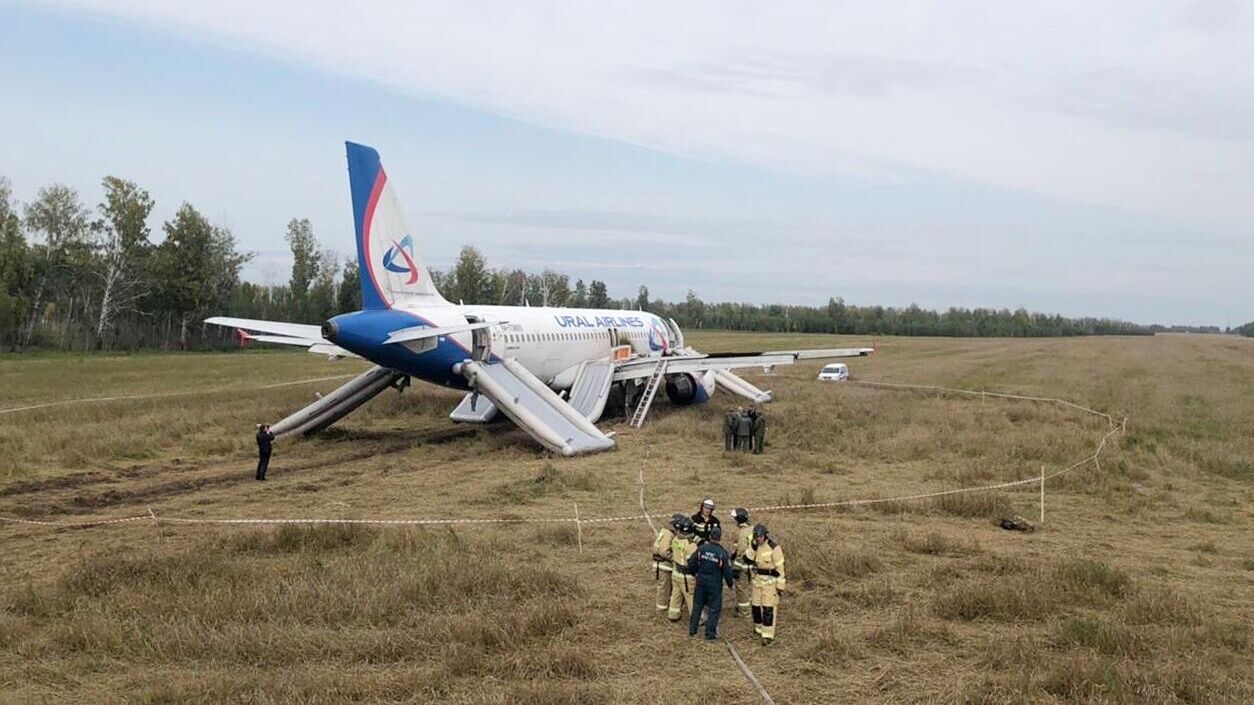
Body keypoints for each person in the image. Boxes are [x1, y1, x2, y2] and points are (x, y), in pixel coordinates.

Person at [686, 524, 734, 640]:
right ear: (720, 537)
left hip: (701, 582)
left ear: (710, 536)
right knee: (714, 608)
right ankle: (710, 634)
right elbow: (727, 571)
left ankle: (693, 630)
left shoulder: (702, 549)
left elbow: (691, 562)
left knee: (697, 606)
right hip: (714, 584)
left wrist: (694, 572)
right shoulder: (722, 553)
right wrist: (730, 583)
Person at [745, 523, 786, 645]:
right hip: (757, 581)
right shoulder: (755, 546)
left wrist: (780, 586)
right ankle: (758, 629)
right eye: (756, 537)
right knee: (756, 607)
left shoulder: (774, 548)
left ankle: (768, 636)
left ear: (765, 536)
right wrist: (752, 546)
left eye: (760, 536)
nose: (759, 539)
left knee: (768, 609)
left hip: (770, 583)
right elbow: (748, 558)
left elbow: (780, 569)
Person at [667, 518, 700, 623]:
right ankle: (697, 618)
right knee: (691, 597)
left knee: (676, 595)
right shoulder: (691, 545)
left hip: (676, 572)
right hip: (687, 577)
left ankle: (673, 614)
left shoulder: (676, 539)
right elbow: (692, 562)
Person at [652, 514, 683, 615]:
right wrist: (675, 559)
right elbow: (664, 552)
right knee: (664, 589)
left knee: (666, 588)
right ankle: (661, 609)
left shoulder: (665, 531)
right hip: (663, 566)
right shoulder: (669, 534)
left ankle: (664, 607)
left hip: (662, 565)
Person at [729, 507, 754, 616]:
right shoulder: (751, 529)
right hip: (753, 564)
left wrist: (736, 568)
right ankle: (751, 606)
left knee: (741, 588)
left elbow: (741, 553)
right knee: (751, 586)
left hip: (744, 566)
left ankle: (744, 611)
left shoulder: (742, 533)